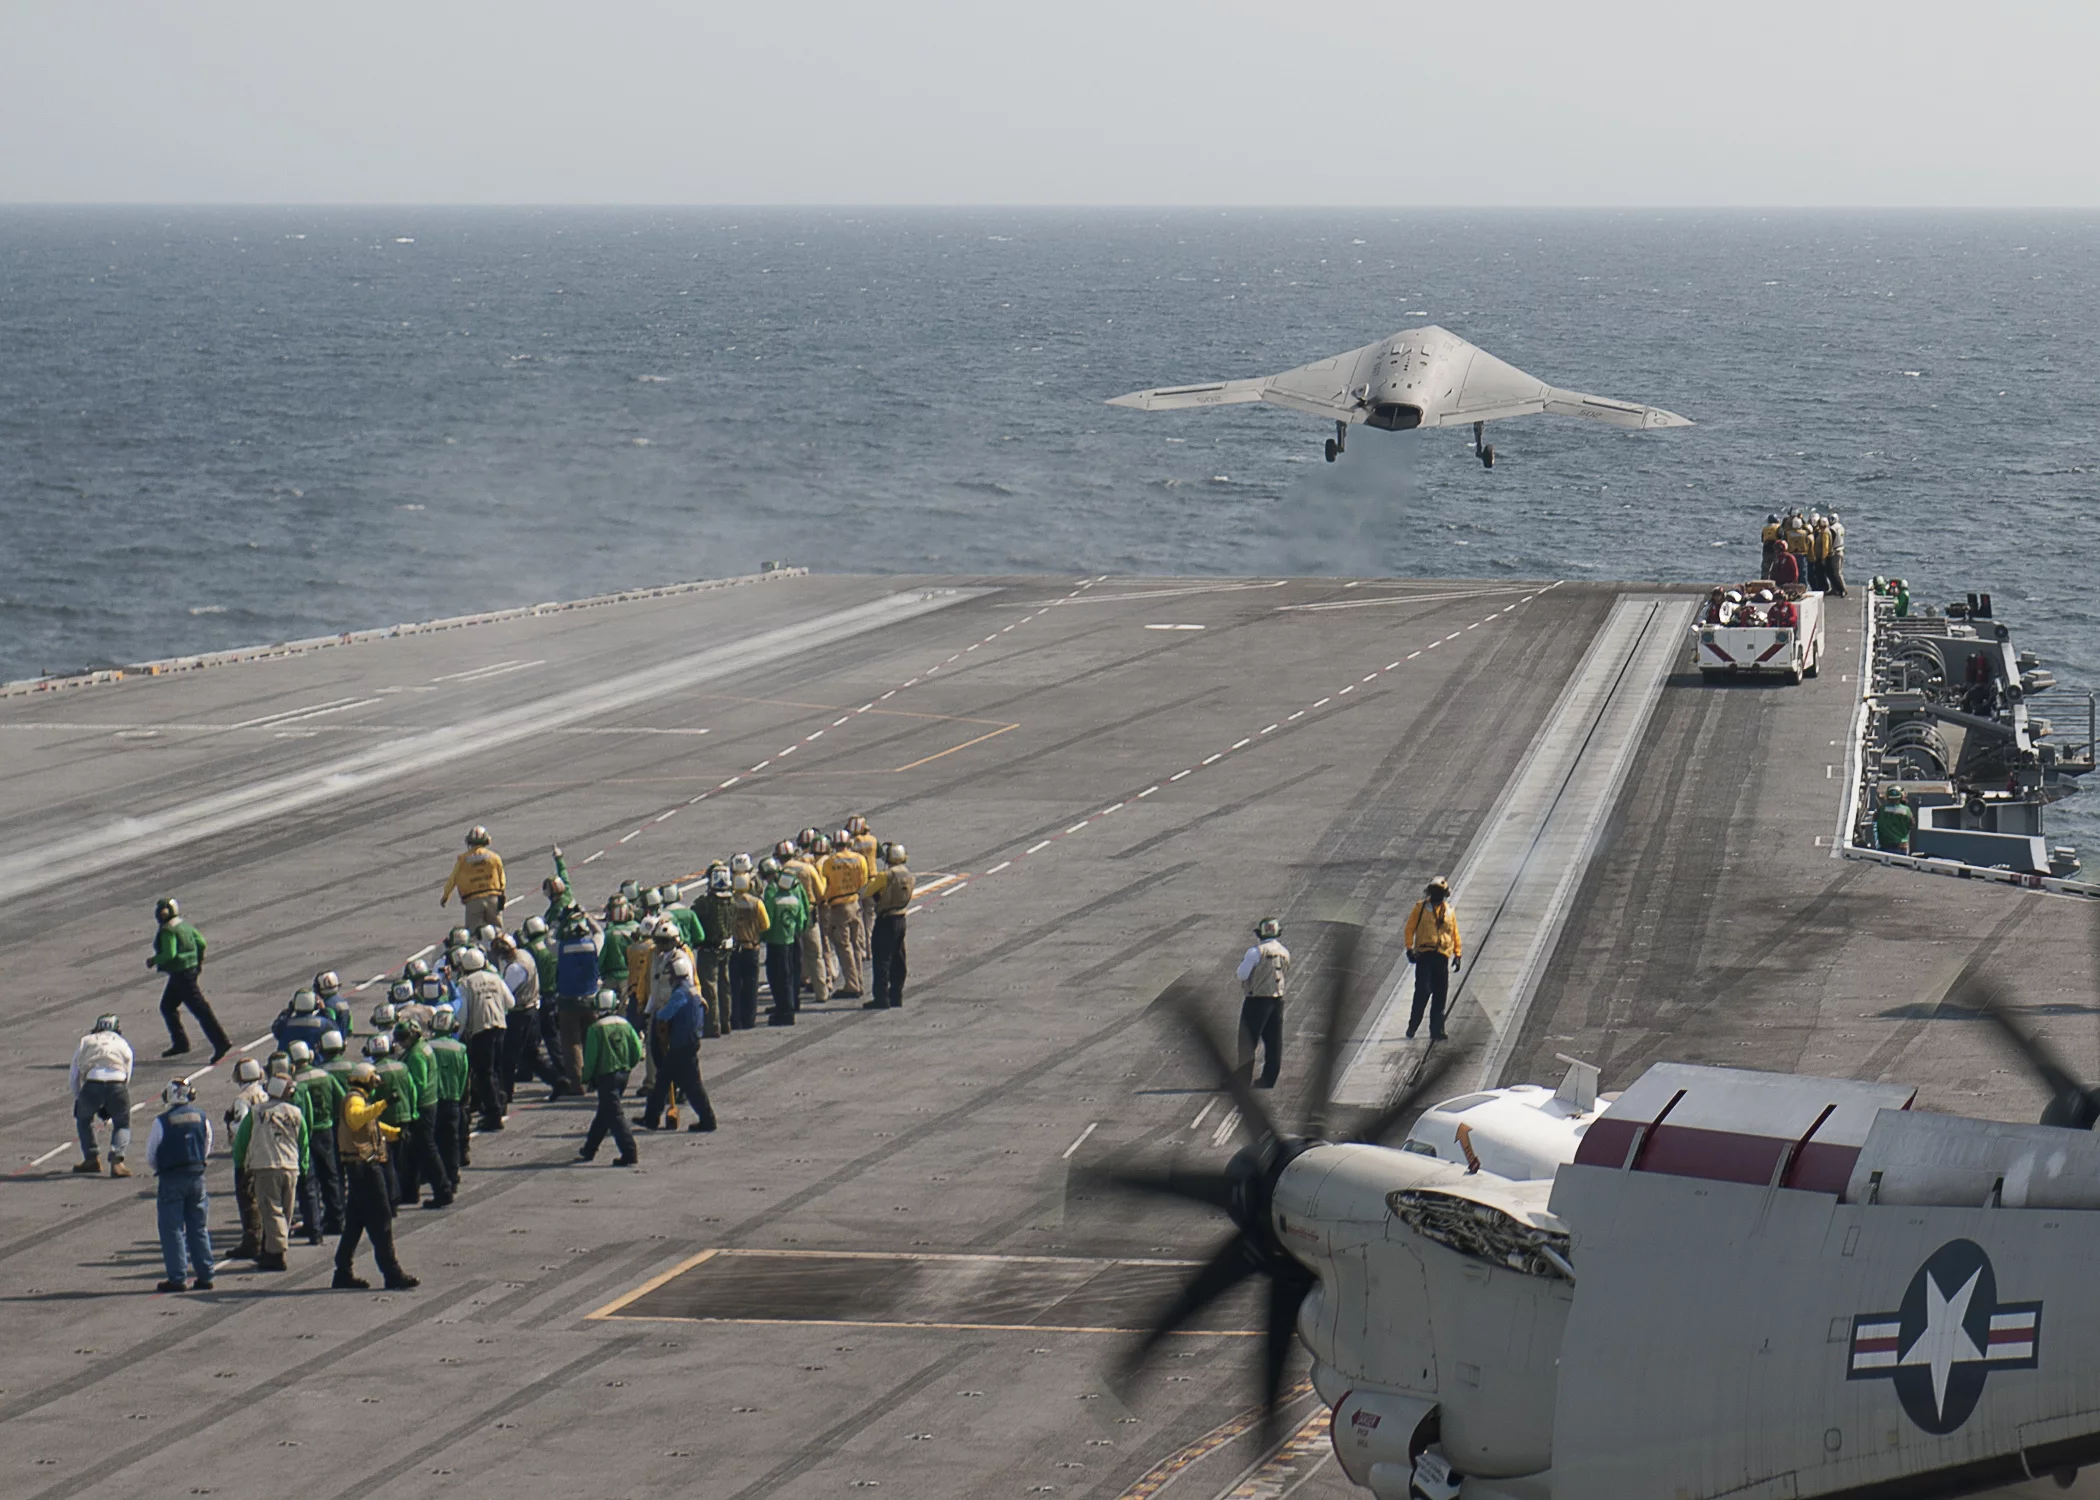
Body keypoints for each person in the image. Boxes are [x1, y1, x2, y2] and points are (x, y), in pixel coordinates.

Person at [333, 1063, 417, 1291]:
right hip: (366, 1168)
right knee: (381, 1220)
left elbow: (371, 1125)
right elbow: (356, 1119)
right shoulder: (354, 1100)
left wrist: (395, 1134)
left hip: (360, 1167)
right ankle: (392, 1273)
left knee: (354, 1223)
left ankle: (342, 1271)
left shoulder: (359, 1099)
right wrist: (384, 1104)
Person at [234, 1073, 309, 1272]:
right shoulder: (295, 1112)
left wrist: (240, 1165)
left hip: (266, 1166)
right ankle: (270, 1250)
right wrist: (304, 1165)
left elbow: (242, 1139)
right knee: (285, 1212)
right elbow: (304, 1141)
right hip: (291, 1167)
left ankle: (276, 1255)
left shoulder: (257, 1112)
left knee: (271, 1211)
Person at [147, 1079, 215, 1293]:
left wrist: (164, 1168)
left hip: (171, 1177)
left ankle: (177, 1278)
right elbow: (207, 1144)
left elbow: (151, 1153)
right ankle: (206, 1274)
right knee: (199, 1227)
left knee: (172, 1229)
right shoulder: (202, 1117)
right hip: (197, 1175)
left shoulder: (162, 1121)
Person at [147, 897, 231, 1063]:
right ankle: (180, 1043)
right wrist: (197, 961)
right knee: (168, 1006)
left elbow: (169, 954)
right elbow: (201, 942)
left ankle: (220, 1042)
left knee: (200, 1009)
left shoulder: (168, 931)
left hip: (180, 974)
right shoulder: (184, 926)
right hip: (190, 970)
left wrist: (154, 960)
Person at [643, 954, 718, 1133]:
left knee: (690, 1086)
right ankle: (651, 1118)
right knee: (664, 1081)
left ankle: (708, 1120)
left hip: (681, 1046)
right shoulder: (692, 990)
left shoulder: (680, 994)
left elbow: (663, 1015)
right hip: (688, 1042)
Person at [579, 989, 642, 1166]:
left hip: (606, 1076)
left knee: (615, 1116)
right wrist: (628, 1065)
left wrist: (586, 1077)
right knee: (605, 1113)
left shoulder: (595, 1029)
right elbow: (637, 1050)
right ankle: (589, 1148)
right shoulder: (625, 1024)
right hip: (623, 1075)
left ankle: (629, 1152)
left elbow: (590, 1058)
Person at [455, 946, 514, 1133]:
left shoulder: (465, 983)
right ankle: (501, 1102)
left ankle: (493, 1114)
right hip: (500, 1027)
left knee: (484, 1073)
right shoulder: (495, 978)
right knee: (497, 1069)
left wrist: (458, 1034)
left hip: (481, 1030)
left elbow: (462, 1014)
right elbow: (510, 1002)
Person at [69, 1013, 135, 1176]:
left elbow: (74, 1073)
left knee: (84, 1120)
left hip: (92, 1083)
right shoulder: (122, 1043)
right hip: (117, 1084)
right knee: (122, 1123)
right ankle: (117, 1160)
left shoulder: (86, 1040)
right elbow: (128, 1072)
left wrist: (79, 1097)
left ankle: (91, 1158)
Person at [291, 1039, 345, 1239]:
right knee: (331, 1175)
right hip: (326, 1130)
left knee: (307, 1180)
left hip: (305, 1133)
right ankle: (337, 1218)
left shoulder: (294, 1081)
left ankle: (311, 1222)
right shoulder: (325, 1075)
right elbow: (341, 1099)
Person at [394, 1016, 450, 1208]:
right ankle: (410, 1191)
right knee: (414, 1151)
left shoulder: (416, 1055)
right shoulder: (423, 1047)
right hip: (430, 1103)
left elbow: (417, 1085)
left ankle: (443, 1190)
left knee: (427, 1150)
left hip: (422, 1107)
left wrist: (409, 1109)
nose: (401, 1042)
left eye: (403, 1037)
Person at [1235, 918, 1292, 1089]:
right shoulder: (1284, 951)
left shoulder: (1255, 952)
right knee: (1273, 1041)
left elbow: (1242, 974)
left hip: (1256, 1000)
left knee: (1247, 1042)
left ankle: (1243, 1079)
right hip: (1277, 999)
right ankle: (1268, 1079)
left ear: (1259, 933)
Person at [552, 907, 603, 1098]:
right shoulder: (593, 944)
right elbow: (600, 932)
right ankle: (598, 1079)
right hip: (591, 999)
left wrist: (559, 922)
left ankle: (578, 1084)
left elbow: (549, 940)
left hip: (567, 1001)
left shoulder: (561, 947)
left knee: (572, 1044)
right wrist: (587, 916)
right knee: (593, 1041)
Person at [1404, 878, 1462, 1042]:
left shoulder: (1450, 911)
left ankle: (1437, 1030)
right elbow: (1409, 928)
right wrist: (1409, 949)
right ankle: (1413, 1025)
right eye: (1435, 890)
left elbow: (1455, 934)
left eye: (1440, 891)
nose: (1437, 894)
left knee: (1440, 995)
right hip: (1424, 955)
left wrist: (1457, 955)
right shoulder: (1420, 908)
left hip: (1442, 957)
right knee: (1422, 991)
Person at [224, 1056, 269, 1259]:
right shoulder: (264, 1093)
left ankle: (252, 1241)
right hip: (266, 1149)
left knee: (247, 1199)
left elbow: (241, 1125)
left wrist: (230, 1123)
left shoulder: (242, 1099)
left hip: (247, 1154)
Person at [491, 932, 544, 1103]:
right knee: (530, 1053)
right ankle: (558, 1081)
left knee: (509, 1056)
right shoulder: (525, 955)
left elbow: (505, 993)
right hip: (531, 1008)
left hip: (520, 1013)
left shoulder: (514, 968)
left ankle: (506, 1092)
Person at [819, 830, 871, 999]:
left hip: (838, 907)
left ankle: (852, 984)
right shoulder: (860, 859)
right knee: (857, 946)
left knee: (844, 946)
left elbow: (823, 886)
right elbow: (863, 882)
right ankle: (859, 981)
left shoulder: (830, 862)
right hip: (855, 904)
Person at [863, 844, 914, 1010]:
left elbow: (866, 891)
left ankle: (881, 998)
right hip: (901, 918)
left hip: (886, 919)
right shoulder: (908, 874)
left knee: (882, 961)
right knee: (899, 959)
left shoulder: (886, 875)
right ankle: (896, 995)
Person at [428, 1005, 471, 1183]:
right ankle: (453, 1175)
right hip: (453, 1099)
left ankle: (435, 1177)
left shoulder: (427, 1047)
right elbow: (464, 1074)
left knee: (432, 1142)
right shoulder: (460, 1049)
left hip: (433, 1100)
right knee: (452, 1140)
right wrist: (459, 1097)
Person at [692, 867, 737, 1035]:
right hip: (726, 948)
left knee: (709, 987)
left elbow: (696, 918)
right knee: (725, 986)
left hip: (708, 949)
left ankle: (713, 1025)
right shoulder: (732, 902)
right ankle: (726, 1023)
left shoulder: (705, 903)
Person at [785, 836, 831, 998]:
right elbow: (821, 892)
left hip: (788, 916)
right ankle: (822, 991)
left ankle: (793, 994)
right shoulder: (807, 869)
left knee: (791, 956)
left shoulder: (781, 872)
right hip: (809, 913)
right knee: (815, 953)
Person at [762, 869, 809, 1025]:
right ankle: (788, 1006)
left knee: (777, 977)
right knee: (789, 975)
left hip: (776, 941)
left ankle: (785, 1011)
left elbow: (767, 921)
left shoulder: (774, 900)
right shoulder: (795, 900)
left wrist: (762, 937)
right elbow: (802, 919)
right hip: (790, 940)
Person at [440, 825, 507, 930]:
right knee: (497, 930)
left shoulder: (463, 859)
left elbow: (453, 879)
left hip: (472, 900)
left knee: (473, 933)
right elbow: (501, 878)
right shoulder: (494, 857)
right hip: (493, 897)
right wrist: (502, 894)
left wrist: (445, 896)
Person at [728, 871, 770, 1031]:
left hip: (734, 948)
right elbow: (765, 924)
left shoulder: (729, 903)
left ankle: (736, 1019)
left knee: (735, 986)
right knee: (751, 986)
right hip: (751, 947)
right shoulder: (756, 903)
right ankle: (749, 1019)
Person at [272, 988, 334, 1057]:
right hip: (316, 1064)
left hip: (289, 1064)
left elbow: (276, 1027)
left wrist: (289, 1010)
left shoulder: (284, 1024)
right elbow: (334, 1033)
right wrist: (324, 1010)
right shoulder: (323, 1023)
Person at [1876, 786, 1915, 852]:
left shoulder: (1881, 809)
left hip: (1886, 844)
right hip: (1902, 844)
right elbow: (1912, 823)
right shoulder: (1906, 810)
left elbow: (1875, 821)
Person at [1824, 512, 1848, 597]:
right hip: (1841, 549)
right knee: (1835, 571)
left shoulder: (1831, 529)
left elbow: (1831, 541)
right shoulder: (1841, 527)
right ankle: (1835, 588)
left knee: (1836, 572)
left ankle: (1842, 589)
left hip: (1835, 551)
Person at [1759, 513, 1782, 578]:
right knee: (1777, 568)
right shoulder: (1779, 527)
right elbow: (1781, 538)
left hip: (1766, 550)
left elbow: (1762, 540)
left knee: (1765, 568)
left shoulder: (1765, 528)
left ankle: (1763, 581)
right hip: (1776, 550)